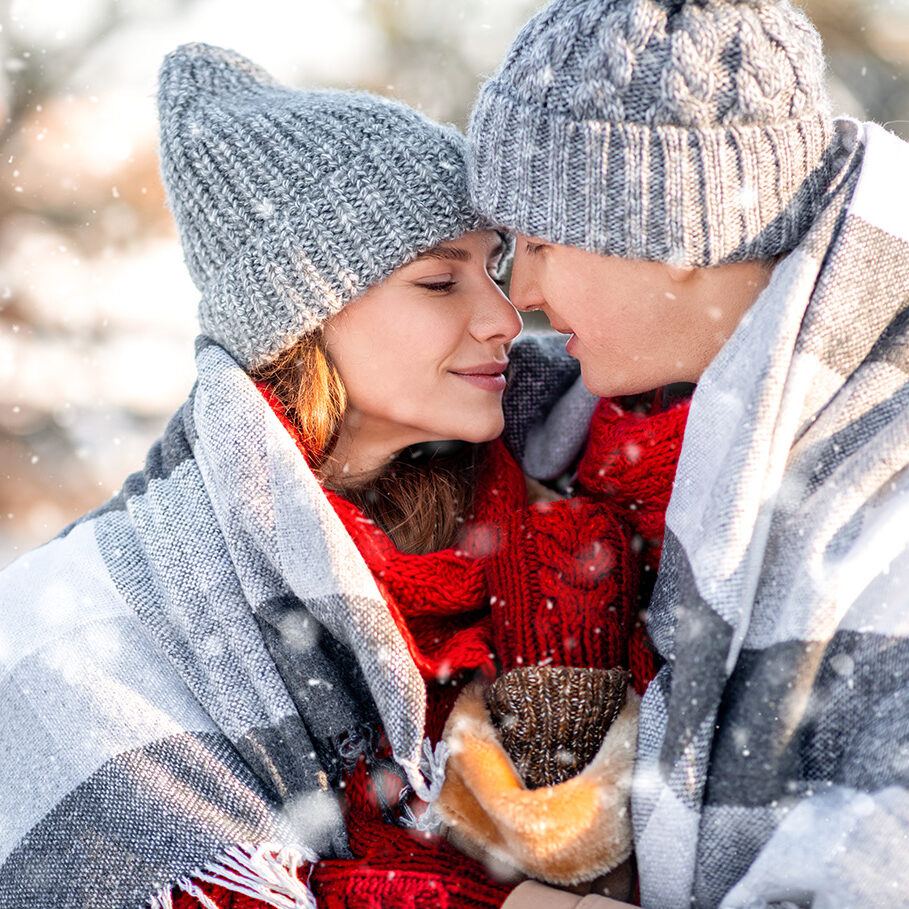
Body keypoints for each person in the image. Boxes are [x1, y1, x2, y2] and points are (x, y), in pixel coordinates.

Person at [0, 42, 688, 909]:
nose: (504, 319)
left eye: (495, 268)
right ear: (305, 316)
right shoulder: (109, 619)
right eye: (440, 280)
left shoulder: (584, 492)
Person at [466, 0, 909, 907]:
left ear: (670, 230)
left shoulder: (883, 493)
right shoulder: (576, 431)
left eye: (543, 243)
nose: (528, 294)